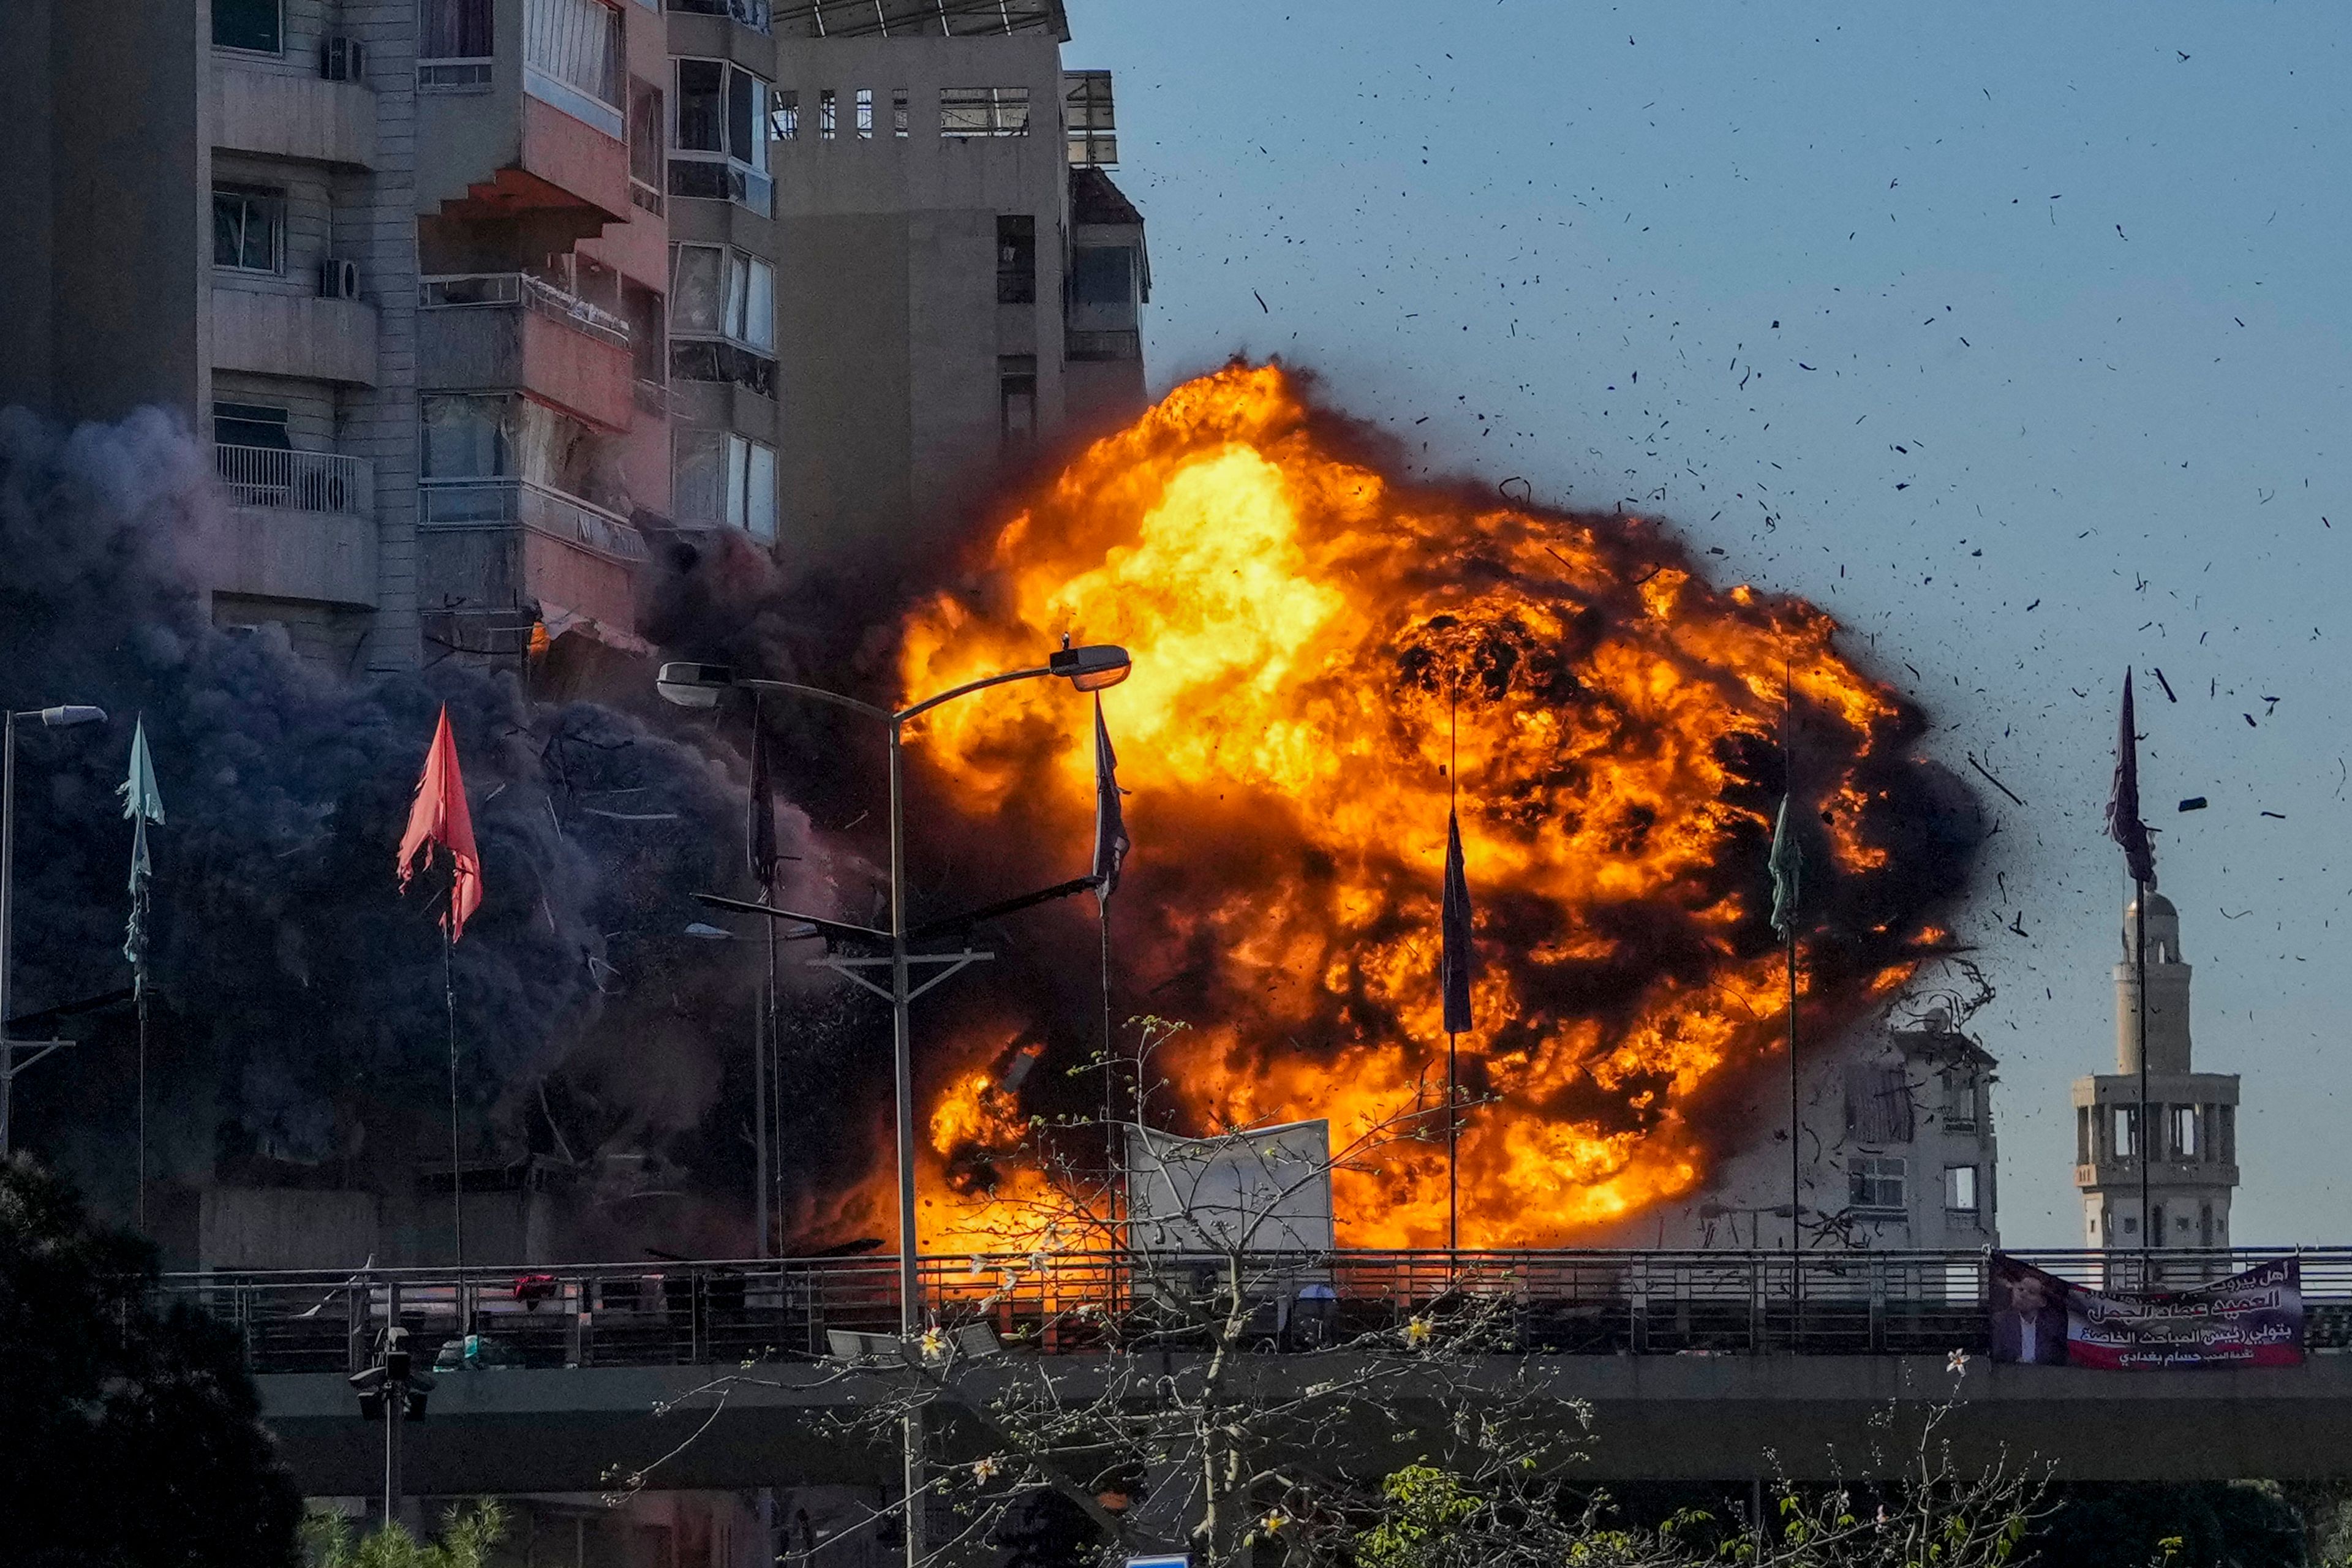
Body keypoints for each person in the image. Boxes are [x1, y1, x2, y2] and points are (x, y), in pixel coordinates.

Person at [1989, 1261, 2069, 1365]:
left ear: (2042, 1302)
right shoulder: (1999, 1321)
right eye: (2021, 1289)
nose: (2023, 1295)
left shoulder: (2053, 1327)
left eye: (2031, 1292)